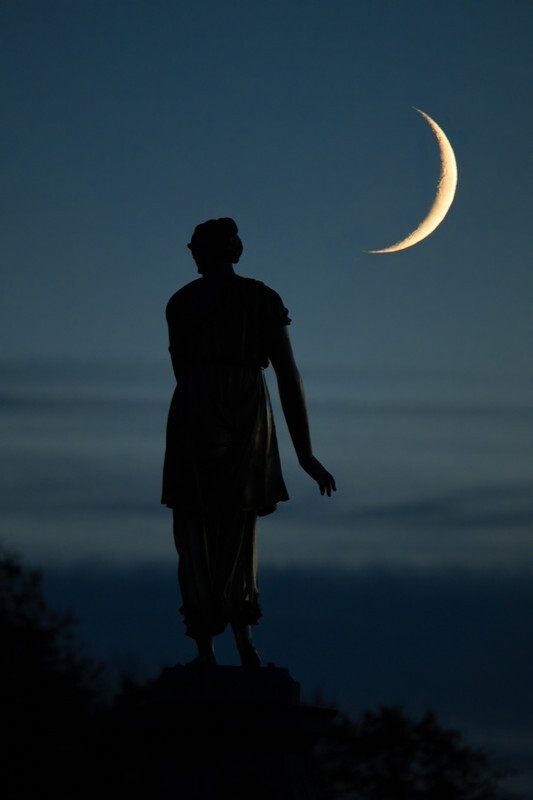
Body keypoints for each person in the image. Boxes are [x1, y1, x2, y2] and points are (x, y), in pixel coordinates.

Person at [162, 217, 335, 667]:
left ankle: (219, 640)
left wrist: (305, 453)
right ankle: (233, 638)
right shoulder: (249, 298)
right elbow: (288, 376)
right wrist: (305, 453)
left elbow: (283, 374)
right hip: (232, 406)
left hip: (209, 406)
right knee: (224, 525)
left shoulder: (188, 302)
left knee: (204, 526)